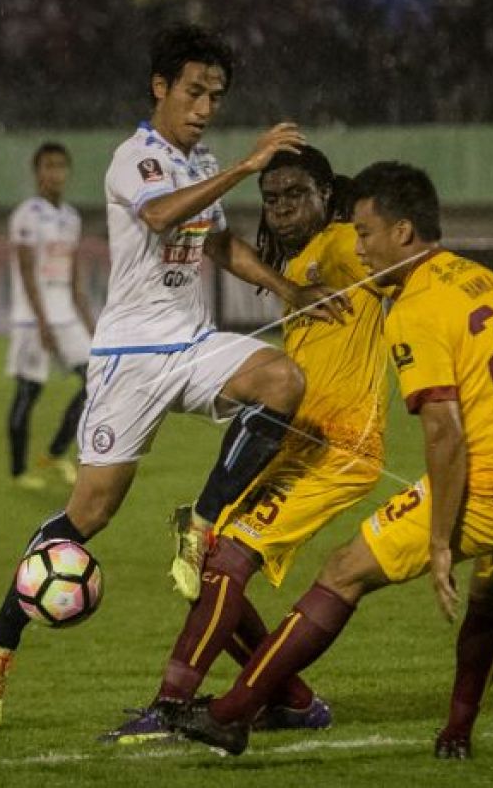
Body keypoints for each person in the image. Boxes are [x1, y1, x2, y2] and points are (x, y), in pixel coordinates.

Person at [0, 23, 346, 732]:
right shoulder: (133, 158)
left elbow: (221, 242)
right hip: (128, 360)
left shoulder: (199, 159)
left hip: (192, 343)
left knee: (282, 382)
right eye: (195, 92)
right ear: (161, 88)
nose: (205, 108)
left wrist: (281, 289)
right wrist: (243, 165)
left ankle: (199, 522)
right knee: (87, 518)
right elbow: (165, 212)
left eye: (216, 96)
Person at [164, 162, 493, 759]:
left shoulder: (415, 311)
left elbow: (446, 436)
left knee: (344, 570)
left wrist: (438, 542)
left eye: (367, 233)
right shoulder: (481, 279)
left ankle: (231, 714)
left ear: (403, 233)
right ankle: (456, 733)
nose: (359, 246)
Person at [101, 145, 391, 744]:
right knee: (206, 563)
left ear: (327, 196)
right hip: (294, 442)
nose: (281, 209)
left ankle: (172, 705)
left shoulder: (342, 247)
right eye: (272, 198)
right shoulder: (297, 264)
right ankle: (291, 698)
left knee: (226, 560)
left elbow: (387, 260)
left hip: (338, 449)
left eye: (296, 195)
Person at [5, 142, 97, 491]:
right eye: (48, 166)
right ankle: (18, 471)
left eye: (60, 166)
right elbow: (27, 274)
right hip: (33, 318)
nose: (54, 173)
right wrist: (41, 322)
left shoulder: (71, 218)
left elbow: (73, 277)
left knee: (96, 381)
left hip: (67, 316)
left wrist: (90, 322)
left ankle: (57, 451)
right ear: (37, 172)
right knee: (29, 391)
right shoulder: (26, 215)